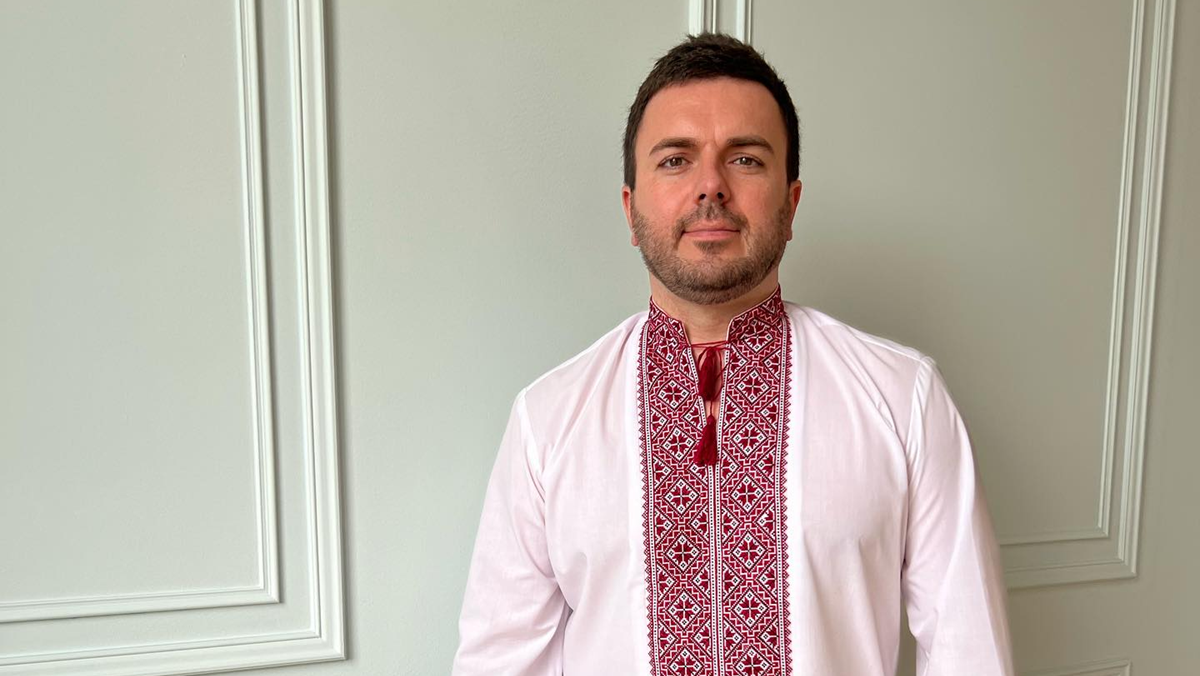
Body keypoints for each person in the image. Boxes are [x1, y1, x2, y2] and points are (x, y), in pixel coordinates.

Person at [451, 33, 1014, 676]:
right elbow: (500, 662)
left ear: (791, 203)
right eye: (675, 160)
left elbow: (972, 653)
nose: (711, 187)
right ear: (631, 210)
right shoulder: (548, 420)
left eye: (745, 159)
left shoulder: (903, 398)